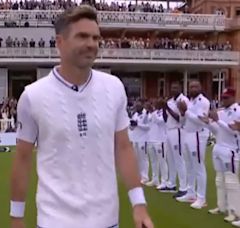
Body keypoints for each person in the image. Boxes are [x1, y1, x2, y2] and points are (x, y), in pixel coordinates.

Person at [10, 5, 153, 228]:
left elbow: (123, 147)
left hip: (107, 220)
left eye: (96, 38)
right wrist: (17, 217)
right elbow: (22, 158)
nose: (91, 44)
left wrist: (139, 203)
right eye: (82, 36)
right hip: (54, 221)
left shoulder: (114, 87)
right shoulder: (33, 96)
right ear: (60, 43)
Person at [198, 88, 240, 225]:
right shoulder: (221, 112)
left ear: (233, 98)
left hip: (231, 150)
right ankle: (222, 207)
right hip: (219, 147)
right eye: (223, 97)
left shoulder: (237, 111)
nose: (224, 100)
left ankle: (235, 212)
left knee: (231, 181)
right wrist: (208, 123)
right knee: (219, 180)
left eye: (227, 97)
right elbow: (218, 131)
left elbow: (234, 131)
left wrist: (218, 121)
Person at [177, 80, 210, 209]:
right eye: (191, 86)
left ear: (200, 87)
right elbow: (184, 118)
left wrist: (186, 112)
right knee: (189, 166)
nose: (193, 88)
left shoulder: (203, 102)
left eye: (196, 86)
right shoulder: (189, 101)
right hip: (188, 133)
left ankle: (201, 198)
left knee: (198, 166)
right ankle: (190, 193)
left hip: (198, 134)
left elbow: (201, 121)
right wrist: (182, 113)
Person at [160, 82, 188, 197]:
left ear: (180, 88)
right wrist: (163, 107)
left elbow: (180, 119)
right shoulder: (170, 101)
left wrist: (167, 108)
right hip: (169, 130)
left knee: (179, 159)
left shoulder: (183, 100)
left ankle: (183, 187)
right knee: (170, 159)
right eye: (172, 87)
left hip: (178, 130)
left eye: (176, 87)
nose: (173, 89)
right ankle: (171, 184)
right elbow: (166, 118)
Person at [146, 99, 168, 189]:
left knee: (162, 161)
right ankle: (155, 179)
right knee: (153, 161)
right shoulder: (154, 113)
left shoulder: (164, 112)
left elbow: (160, 122)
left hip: (161, 140)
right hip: (151, 139)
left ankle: (164, 181)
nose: (154, 104)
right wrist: (152, 112)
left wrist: (152, 112)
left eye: (156, 103)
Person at [130, 100, 150, 184]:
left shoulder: (146, 114)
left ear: (142, 106)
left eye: (138, 106)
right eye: (136, 106)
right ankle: (139, 176)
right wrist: (132, 124)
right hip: (135, 139)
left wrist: (137, 124)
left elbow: (148, 127)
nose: (137, 107)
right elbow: (131, 128)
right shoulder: (135, 114)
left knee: (143, 158)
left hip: (143, 139)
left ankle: (145, 177)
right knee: (137, 158)